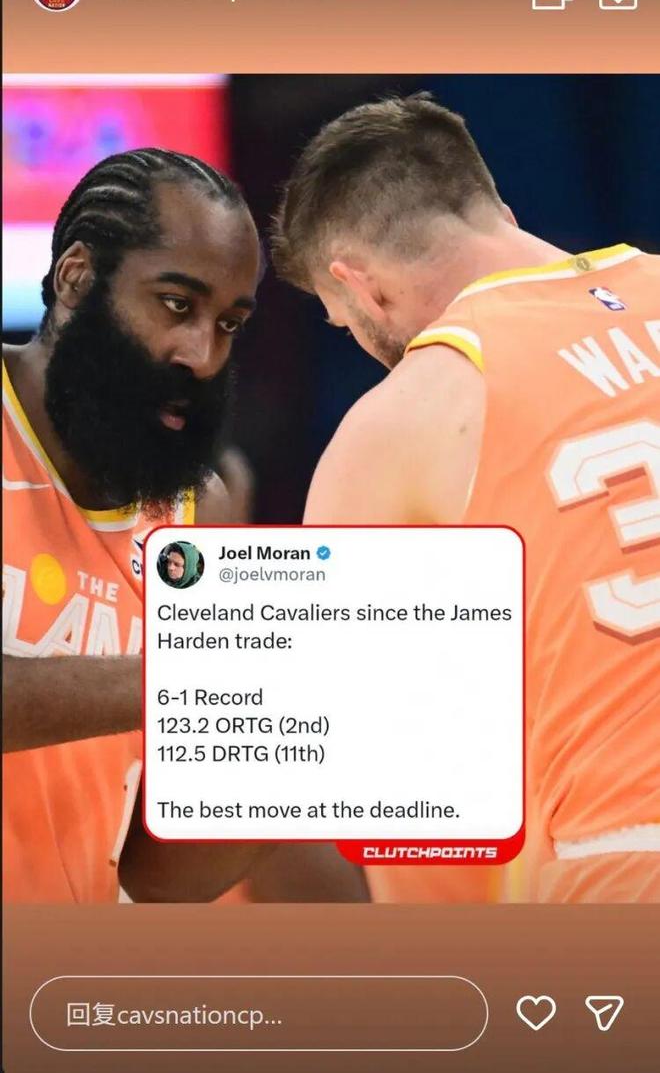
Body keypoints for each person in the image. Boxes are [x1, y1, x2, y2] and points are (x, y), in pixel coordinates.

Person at [272, 94, 660, 903]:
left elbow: (420, 813)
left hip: (621, 861)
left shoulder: (395, 425)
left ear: (360, 288)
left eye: (343, 324)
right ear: (500, 212)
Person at [3, 147, 366, 905]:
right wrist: (195, 676)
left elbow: (162, 876)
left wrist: (308, 745)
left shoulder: (199, 508)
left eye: (229, 324)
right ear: (76, 277)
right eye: (176, 304)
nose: (202, 355)